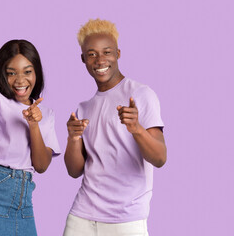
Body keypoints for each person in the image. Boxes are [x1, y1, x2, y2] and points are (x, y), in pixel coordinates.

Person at [63, 19, 167, 236]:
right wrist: (73, 138)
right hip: (82, 216)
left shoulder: (141, 95)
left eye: (107, 52)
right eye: (91, 54)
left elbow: (159, 158)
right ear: (83, 59)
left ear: (118, 54)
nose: (100, 59)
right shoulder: (83, 108)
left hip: (126, 219)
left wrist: (137, 129)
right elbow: (74, 171)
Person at [0, 39, 60, 236]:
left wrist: (34, 124)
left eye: (27, 71)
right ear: (2, 74)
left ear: (36, 72)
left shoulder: (45, 114)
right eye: (11, 73)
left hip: (24, 206)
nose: (20, 80)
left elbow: (41, 166)